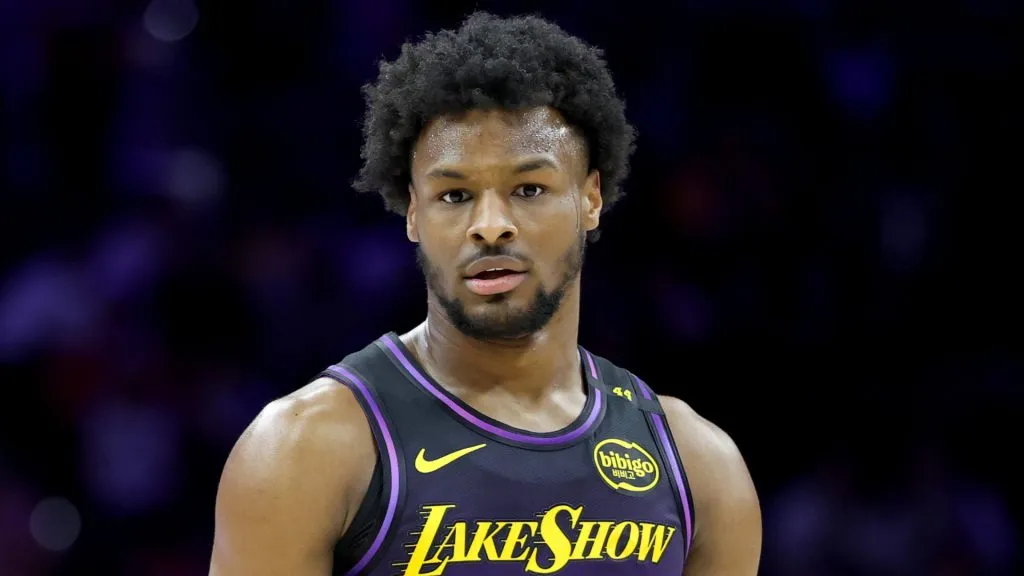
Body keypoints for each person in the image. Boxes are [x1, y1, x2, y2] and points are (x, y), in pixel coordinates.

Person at [210, 11, 761, 576]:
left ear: (590, 199)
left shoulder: (697, 463)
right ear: (414, 213)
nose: (490, 225)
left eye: (529, 188)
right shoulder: (306, 449)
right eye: (454, 195)